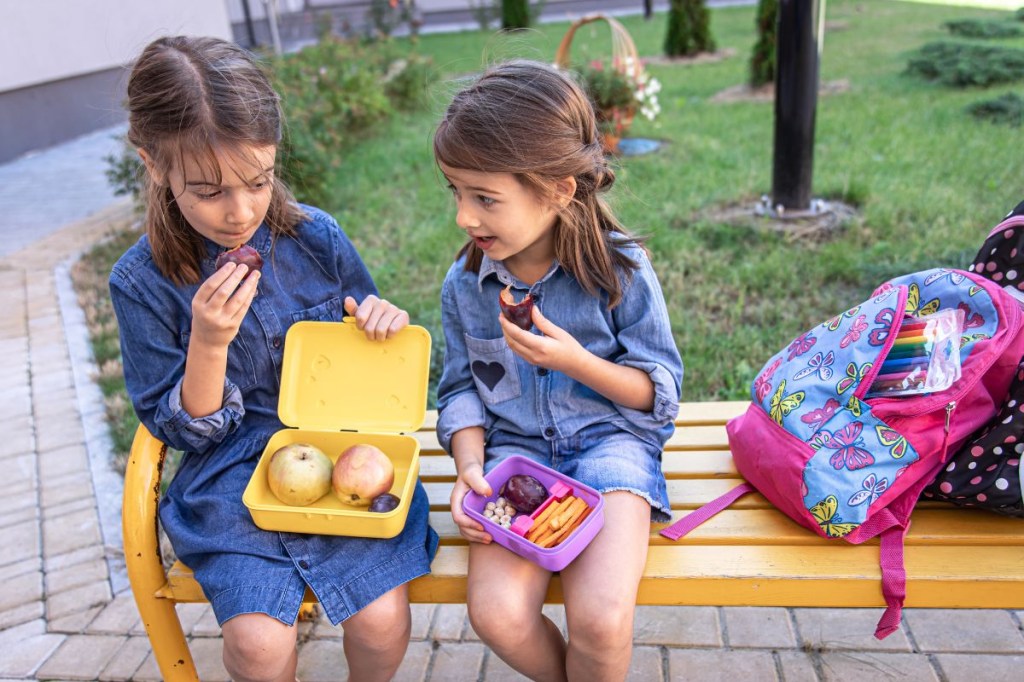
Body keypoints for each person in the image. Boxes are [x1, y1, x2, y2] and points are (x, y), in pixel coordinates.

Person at [109, 36, 437, 682]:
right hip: (228, 483)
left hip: (343, 461)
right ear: (154, 164)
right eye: (208, 191)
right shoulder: (141, 282)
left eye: (258, 181)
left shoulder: (314, 238)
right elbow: (177, 427)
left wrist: (381, 321)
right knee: (260, 646)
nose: (240, 211)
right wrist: (207, 343)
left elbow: (366, 347)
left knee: (381, 622)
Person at [434, 60, 684, 681]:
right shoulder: (467, 285)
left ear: (557, 190)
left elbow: (659, 394)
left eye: (485, 198)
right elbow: (461, 388)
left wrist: (578, 362)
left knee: (600, 620)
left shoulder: (620, 271)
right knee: (495, 613)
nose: (464, 217)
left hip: (612, 452)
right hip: (516, 459)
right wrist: (470, 470)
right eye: (456, 192)